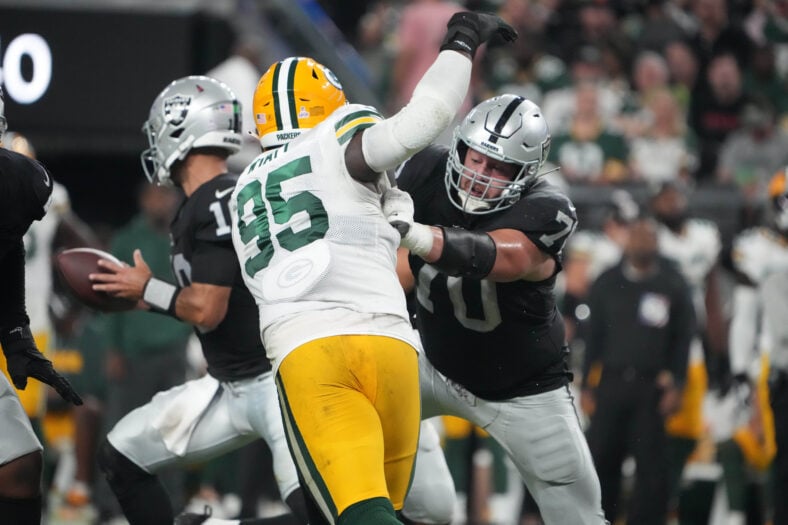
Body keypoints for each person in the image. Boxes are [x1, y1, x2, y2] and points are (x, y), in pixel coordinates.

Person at [230, 13, 517, 525]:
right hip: (391, 345)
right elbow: (428, 115)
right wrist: (462, 40)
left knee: (360, 514)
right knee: (384, 511)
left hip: (310, 350)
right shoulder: (341, 136)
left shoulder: (244, 188)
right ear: (329, 105)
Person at [88, 76, 308, 525]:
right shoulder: (207, 200)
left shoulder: (217, 199)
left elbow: (209, 308)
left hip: (277, 386)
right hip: (229, 385)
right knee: (121, 457)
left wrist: (145, 289)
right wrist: (146, 296)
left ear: (181, 130)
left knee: (322, 515)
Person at [384, 93, 607, 524]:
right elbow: (396, 273)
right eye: (475, 157)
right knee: (347, 398)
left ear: (525, 174)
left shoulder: (547, 207)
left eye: (498, 167)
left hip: (523, 389)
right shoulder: (427, 170)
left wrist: (415, 234)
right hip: (432, 362)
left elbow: (505, 259)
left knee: (580, 518)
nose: (478, 175)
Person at [0, 85, 83, 523]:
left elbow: (9, 243)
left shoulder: (23, 182)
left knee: (21, 457)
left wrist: (16, 330)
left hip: (16, 324)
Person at [581, 214, 695, 525]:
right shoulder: (607, 282)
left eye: (649, 237)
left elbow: (683, 338)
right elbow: (592, 338)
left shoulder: (672, 284)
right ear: (627, 241)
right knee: (601, 461)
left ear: (657, 243)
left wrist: (679, 383)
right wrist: (586, 388)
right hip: (611, 385)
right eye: (638, 236)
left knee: (651, 470)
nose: (643, 242)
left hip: (651, 389)